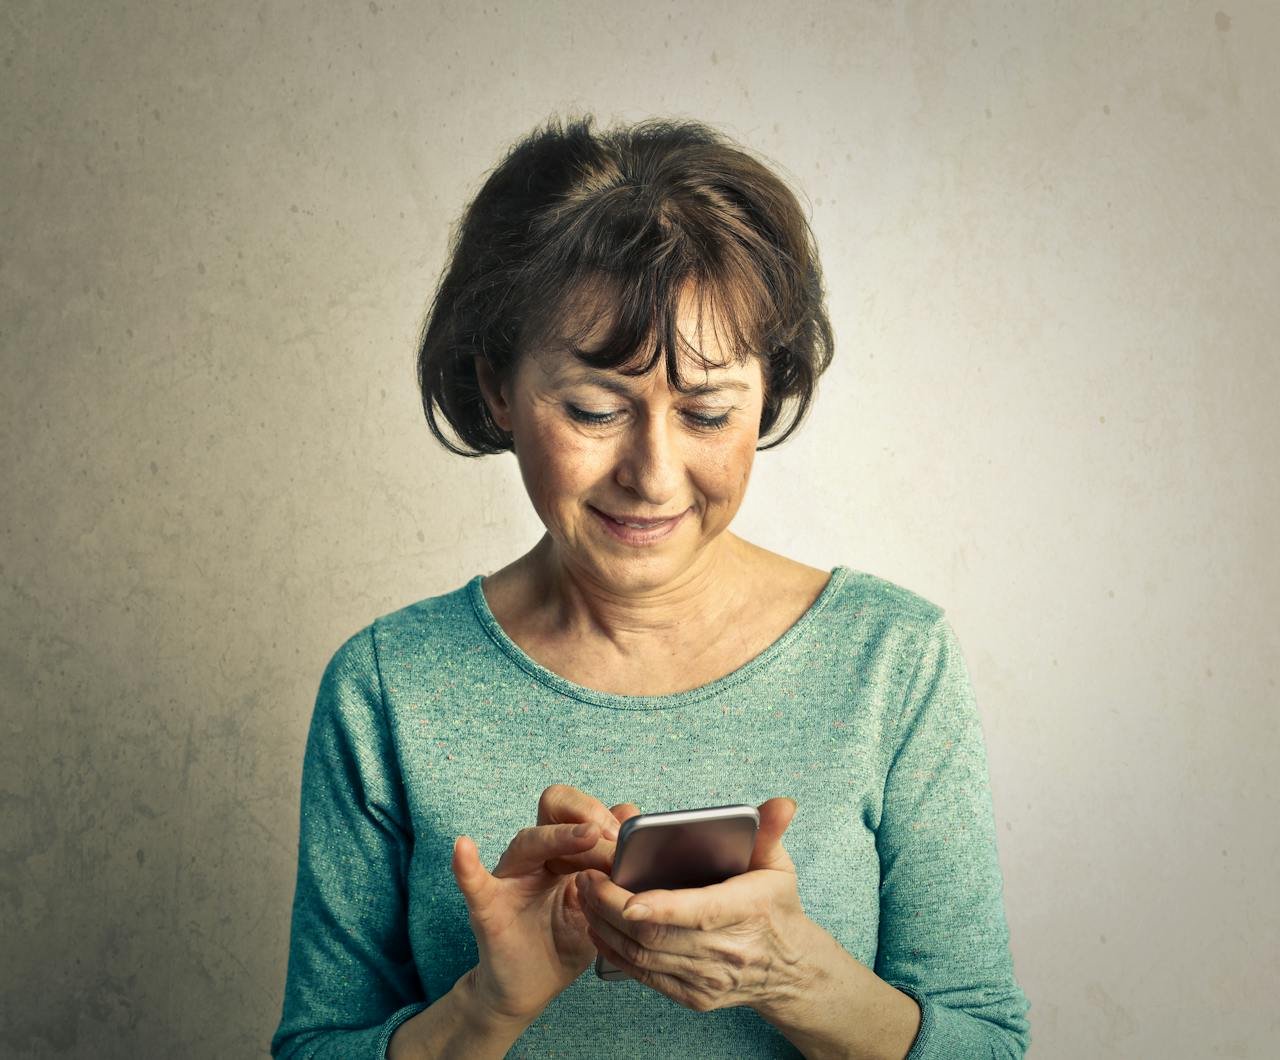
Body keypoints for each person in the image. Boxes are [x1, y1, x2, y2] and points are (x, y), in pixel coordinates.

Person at [269, 113, 1031, 1059]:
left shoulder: (894, 660)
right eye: (594, 409)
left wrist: (798, 977)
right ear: (498, 389)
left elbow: (989, 1044)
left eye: (708, 413)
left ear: (769, 395)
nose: (655, 474)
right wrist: (485, 1007)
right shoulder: (387, 686)